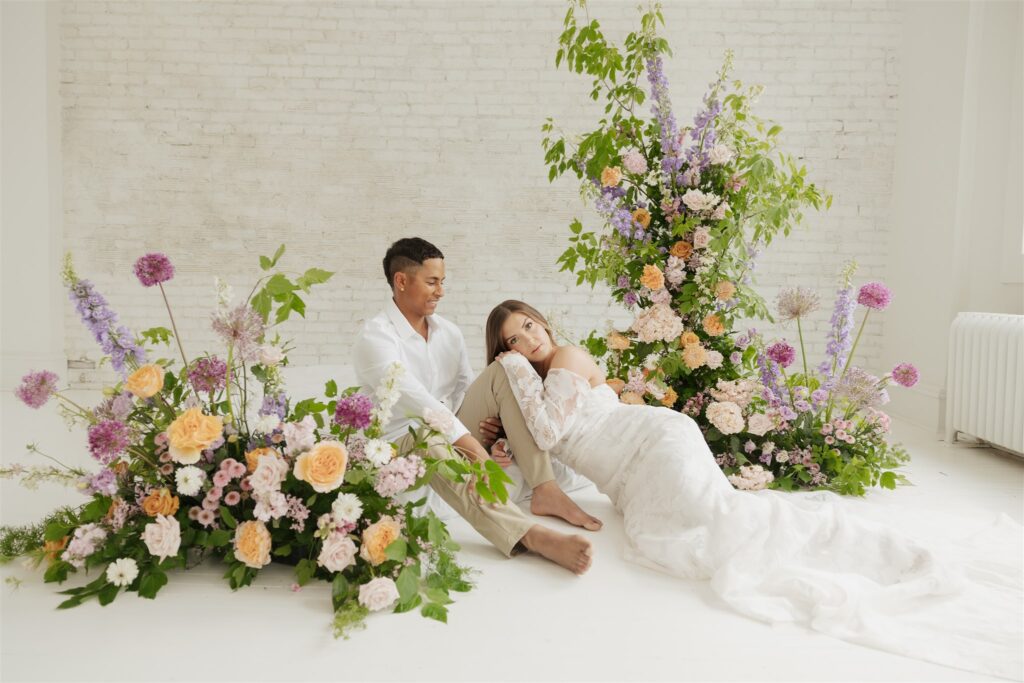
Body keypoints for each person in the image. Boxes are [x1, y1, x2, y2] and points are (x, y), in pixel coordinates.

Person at [484, 299, 1023, 679]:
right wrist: (506, 440)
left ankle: (874, 550)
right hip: (630, 471)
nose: (530, 338)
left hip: (654, 442)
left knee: (724, 525)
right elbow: (546, 437)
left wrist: (510, 371)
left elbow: (551, 430)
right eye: (514, 339)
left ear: (543, 323)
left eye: (530, 326)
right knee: (688, 529)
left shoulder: (567, 358)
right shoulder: (538, 382)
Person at [351, 238, 596, 576]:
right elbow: (419, 405)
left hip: (450, 426)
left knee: (504, 368)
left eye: (443, 282)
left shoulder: (448, 332)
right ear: (402, 281)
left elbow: (466, 389)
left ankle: (545, 488)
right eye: (432, 282)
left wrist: (494, 428)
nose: (441, 291)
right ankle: (531, 535)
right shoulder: (375, 338)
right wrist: (470, 446)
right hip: (401, 441)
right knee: (430, 437)